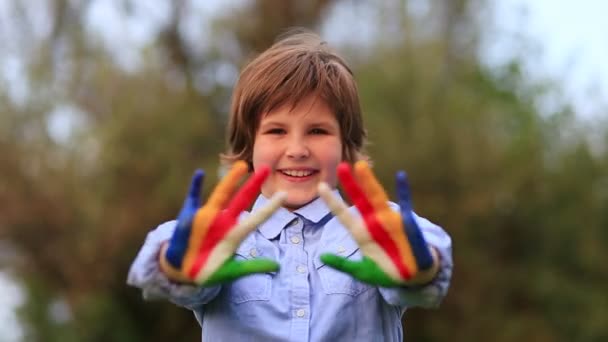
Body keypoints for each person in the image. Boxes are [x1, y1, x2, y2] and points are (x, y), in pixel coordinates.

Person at [127, 29, 453, 341]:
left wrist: (422, 267)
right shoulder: (219, 236)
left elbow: (427, 264)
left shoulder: (378, 228)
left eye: (317, 131)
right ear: (249, 144)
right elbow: (159, 272)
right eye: (276, 131)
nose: (297, 150)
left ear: (345, 144)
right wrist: (174, 265)